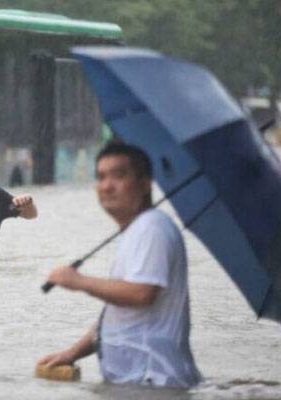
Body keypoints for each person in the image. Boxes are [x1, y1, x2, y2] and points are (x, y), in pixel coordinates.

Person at [37, 141, 201, 389]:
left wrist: (79, 282)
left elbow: (141, 294)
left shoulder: (151, 228)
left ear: (145, 184)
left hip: (153, 384)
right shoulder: (135, 231)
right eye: (101, 177)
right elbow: (119, 316)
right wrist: (72, 353)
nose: (107, 186)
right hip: (132, 385)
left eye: (119, 175)